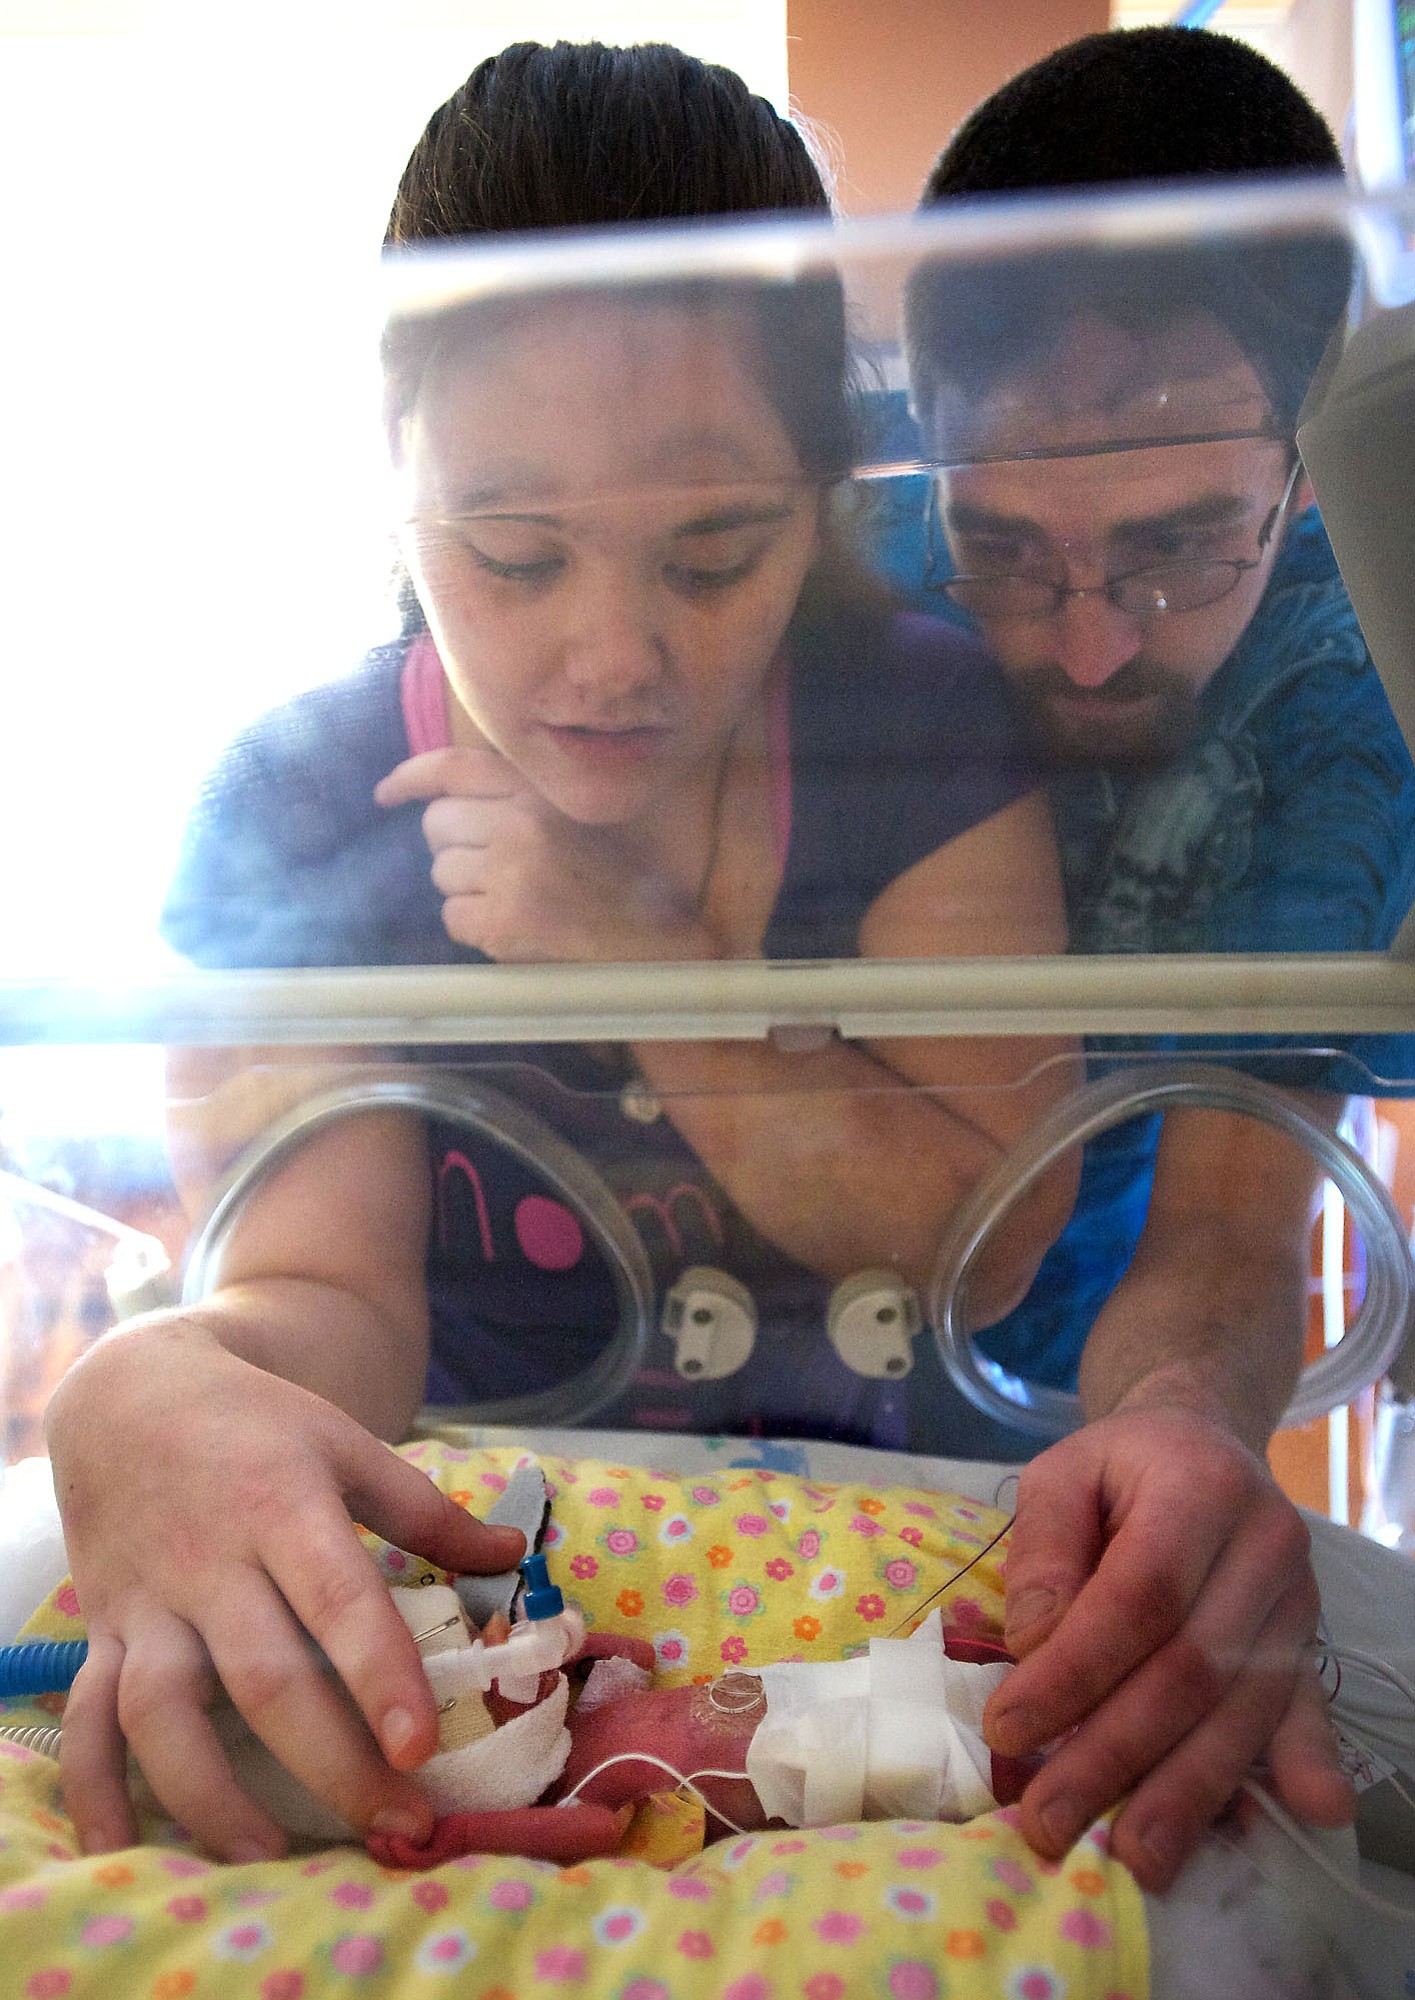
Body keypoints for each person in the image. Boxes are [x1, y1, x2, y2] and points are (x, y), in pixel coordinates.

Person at [44, 41, 1074, 1868]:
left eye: (711, 555)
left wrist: (642, 952)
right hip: (487, 1581)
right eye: (515, 558)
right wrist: (169, 1383)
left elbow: (979, 1241)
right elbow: (334, 1299)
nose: (610, 659)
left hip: (891, 1545)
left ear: (827, 488)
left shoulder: (917, 726)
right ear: (397, 483)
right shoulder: (303, 801)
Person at [897, 27, 1412, 1895]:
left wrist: (1186, 1433)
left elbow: (1222, 1218)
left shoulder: (1340, 699)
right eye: (1009, 546)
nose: (1094, 643)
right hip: (809, 1363)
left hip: (1115, 1387)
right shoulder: (845, 583)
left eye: (1185, 545)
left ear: (1298, 466)